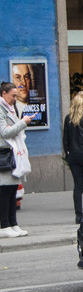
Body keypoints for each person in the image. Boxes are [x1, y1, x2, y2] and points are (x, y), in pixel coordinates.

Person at [0, 82, 35, 237]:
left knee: (13, 190)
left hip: (13, 154)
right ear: (3, 93)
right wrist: (23, 122)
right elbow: (5, 133)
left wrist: (22, 124)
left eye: (16, 95)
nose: (15, 98)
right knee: (5, 192)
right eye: (13, 95)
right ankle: (4, 226)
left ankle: (13, 224)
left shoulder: (11, 108)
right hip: (4, 155)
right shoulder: (1, 109)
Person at [63, 91, 83, 223]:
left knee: (77, 185)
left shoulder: (68, 118)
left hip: (73, 155)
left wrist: (68, 154)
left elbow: (65, 140)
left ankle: (78, 215)